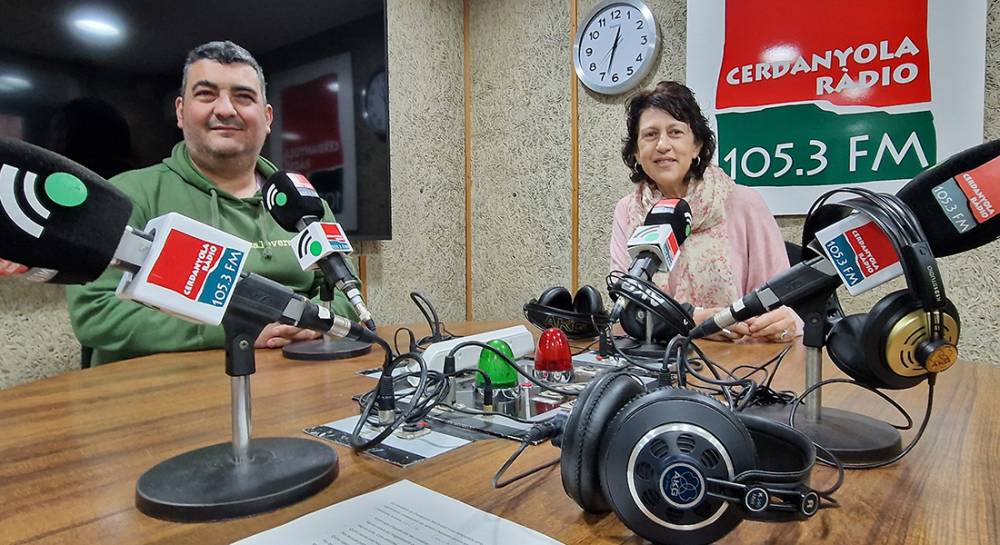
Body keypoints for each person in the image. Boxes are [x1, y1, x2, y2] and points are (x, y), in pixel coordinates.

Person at [66, 41, 358, 365]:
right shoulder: (125, 194)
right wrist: (231, 328)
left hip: (294, 385)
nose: (225, 109)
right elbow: (95, 311)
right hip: (163, 399)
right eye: (206, 94)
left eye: (243, 97)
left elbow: (348, 296)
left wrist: (311, 323)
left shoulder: (304, 200)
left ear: (267, 116)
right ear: (180, 111)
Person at [610, 81, 799, 343]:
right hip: (656, 360)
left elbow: (783, 304)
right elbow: (628, 306)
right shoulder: (628, 211)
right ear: (637, 152)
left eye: (675, 132)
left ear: (697, 145)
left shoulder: (744, 203)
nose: (663, 145)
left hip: (740, 362)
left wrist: (786, 321)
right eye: (650, 135)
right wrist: (694, 320)